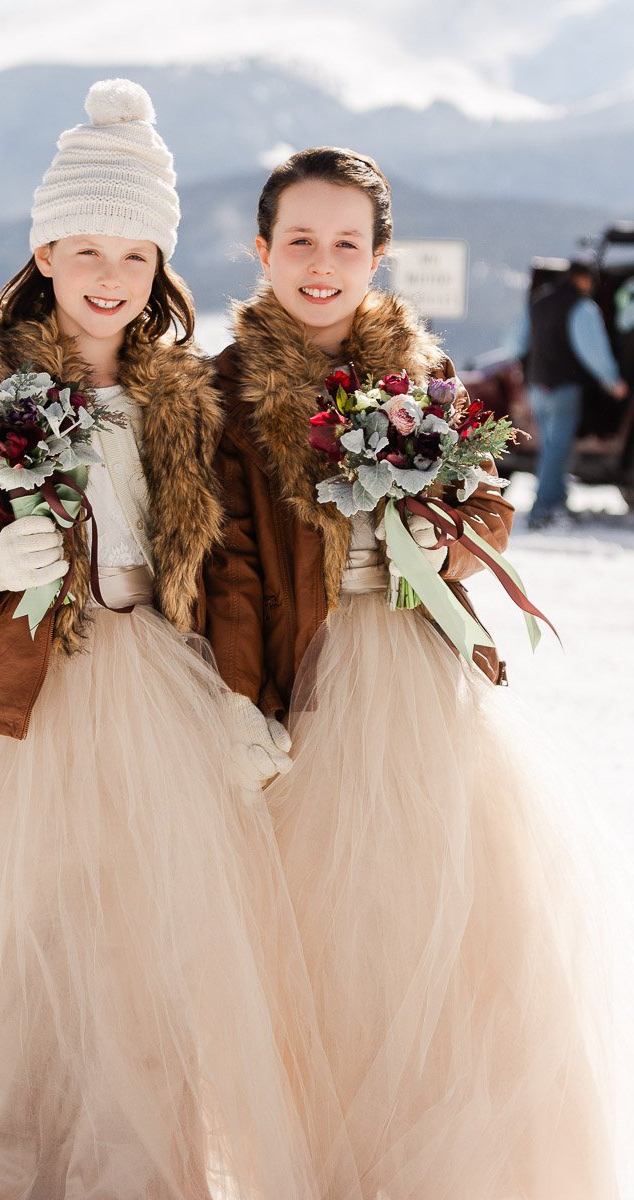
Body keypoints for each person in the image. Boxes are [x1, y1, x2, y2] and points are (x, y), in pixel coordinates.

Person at [0, 83, 354, 1200]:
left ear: (157, 266)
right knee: (8, 950)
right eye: (85, 251)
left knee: (138, 957)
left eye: (132, 253)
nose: (108, 277)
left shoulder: (181, 403)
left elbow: (220, 571)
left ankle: (129, 1173)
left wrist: (233, 695)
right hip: (24, 707)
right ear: (45, 254)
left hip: (152, 696)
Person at [203, 146, 620, 1199]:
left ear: (377, 257)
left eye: (346, 243)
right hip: (305, 676)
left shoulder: (421, 375)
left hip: (410, 672)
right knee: (313, 937)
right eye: (298, 240)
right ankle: (318, 1158)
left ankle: (432, 1160)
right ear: (261, 250)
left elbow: (484, 493)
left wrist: (440, 540)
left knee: (434, 919)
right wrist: (247, 701)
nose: (319, 263)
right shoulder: (222, 389)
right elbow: (230, 565)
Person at [513, 259, 627, 529]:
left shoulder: (540, 300)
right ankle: (544, 509)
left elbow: (514, 343)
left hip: (537, 386)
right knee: (558, 450)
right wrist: (612, 381)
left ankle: (554, 502)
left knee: (549, 449)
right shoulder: (582, 306)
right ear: (583, 279)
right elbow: (592, 350)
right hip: (564, 388)